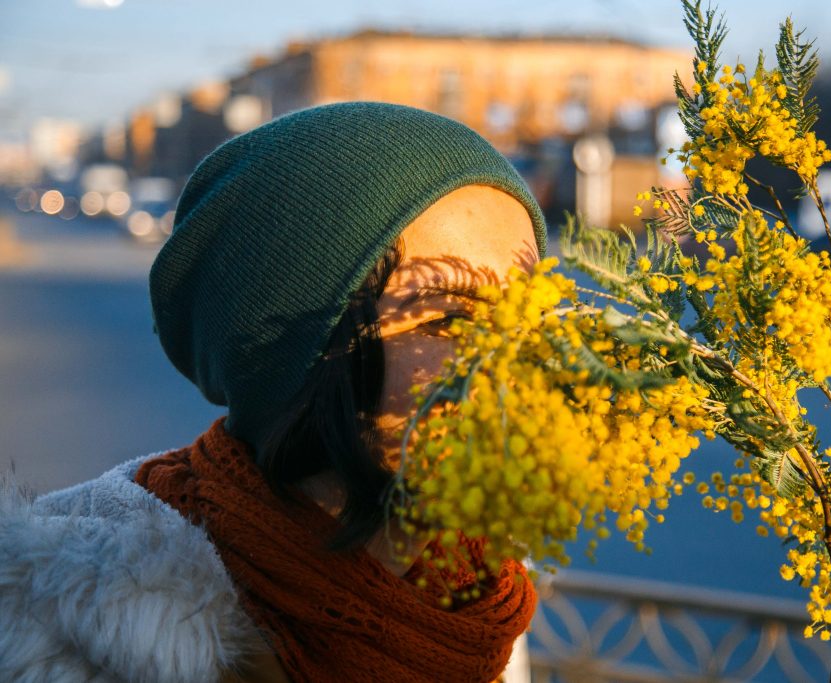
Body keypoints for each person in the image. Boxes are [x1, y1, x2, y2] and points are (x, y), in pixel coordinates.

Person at [0, 102, 547, 682]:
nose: (518, 360)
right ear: (305, 353)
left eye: (533, 313)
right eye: (449, 318)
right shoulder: (71, 630)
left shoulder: (474, 595)